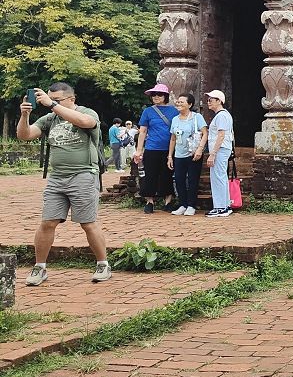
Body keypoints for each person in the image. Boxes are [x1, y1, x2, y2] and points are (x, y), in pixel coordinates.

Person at [16, 83, 112, 285]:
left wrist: (52, 105)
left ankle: (103, 264)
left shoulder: (86, 112)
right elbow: (25, 135)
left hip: (84, 175)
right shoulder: (50, 119)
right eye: (50, 99)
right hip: (57, 178)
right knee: (47, 222)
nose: (52, 103)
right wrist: (24, 116)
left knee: (88, 223)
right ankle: (40, 267)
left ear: (71, 99)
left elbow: (86, 122)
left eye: (57, 100)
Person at [132, 83, 179, 213]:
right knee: (150, 175)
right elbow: (143, 131)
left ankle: (168, 201)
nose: (156, 97)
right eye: (154, 95)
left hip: (168, 148)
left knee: (167, 175)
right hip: (152, 147)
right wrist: (139, 150)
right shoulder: (148, 111)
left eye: (159, 94)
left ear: (165, 96)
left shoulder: (174, 111)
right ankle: (149, 201)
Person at [167, 93, 207, 217]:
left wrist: (200, 149)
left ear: (189, 104)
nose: (179, 104)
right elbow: (173, 139)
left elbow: (205, 133)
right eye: (178, 102)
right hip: (179, 154)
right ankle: (183, 204)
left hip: (193, 153)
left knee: (193, 180)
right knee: (179, 180)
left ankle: (191, 205)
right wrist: (170, 156)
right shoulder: (175, 119)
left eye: (182, 102)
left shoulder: (197, 117)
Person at [204, 89, 234, 217]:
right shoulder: (223, 115)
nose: (208, 102)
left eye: (211, 100)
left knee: (218, 177)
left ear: (219, 101)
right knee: (220, 176)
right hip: (222, 149)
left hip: (220, 150)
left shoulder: (221, 115)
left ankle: (220, 206)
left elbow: (221, 135)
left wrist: (213, 154)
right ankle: (225, 205)